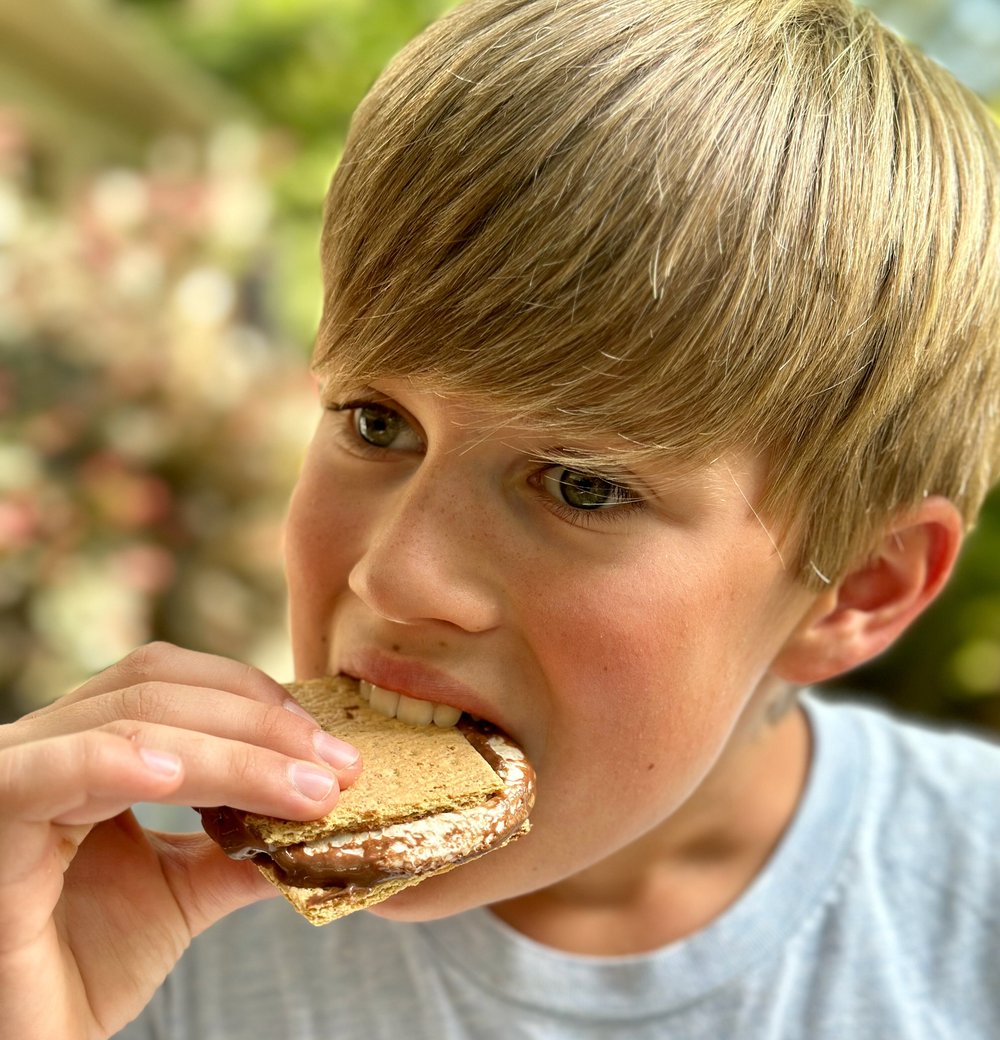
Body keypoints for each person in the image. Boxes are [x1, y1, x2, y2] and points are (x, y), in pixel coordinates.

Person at [3, 0, 1000, 1036]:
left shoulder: (967, 918)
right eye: (375, 420)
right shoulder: (96, 900)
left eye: (582, 484)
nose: (395, 574)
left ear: (860, 586)